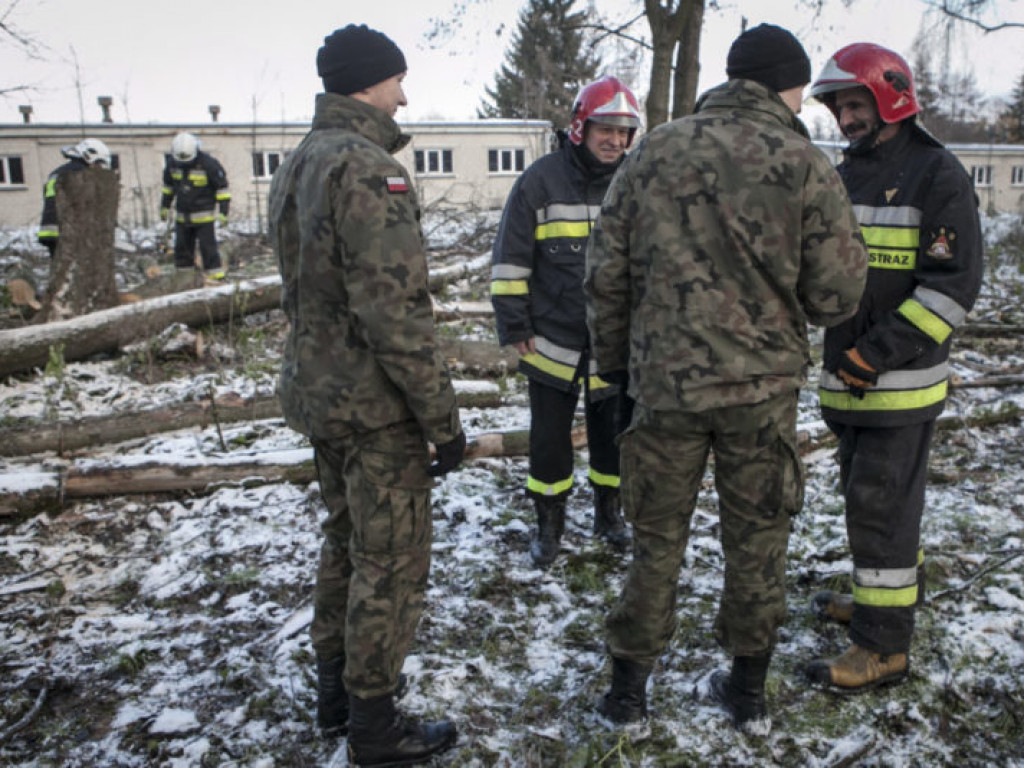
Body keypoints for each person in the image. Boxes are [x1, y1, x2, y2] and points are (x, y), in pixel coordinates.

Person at [585, 24, 869, 734]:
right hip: (761, 392)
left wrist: (618, 365)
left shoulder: (654, 149)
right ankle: (746, 691)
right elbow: (837, 296)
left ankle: (628, 693)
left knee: (655, 540)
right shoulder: (804, 162)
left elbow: (605, 273)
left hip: (664, 388)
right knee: (757, 540)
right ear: (788, 84)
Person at [269, 24, 465, 767]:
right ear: (364, 85)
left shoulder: (300, 162)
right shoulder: (366, 167)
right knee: (389, 563)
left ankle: (335, 700)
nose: (404, 95)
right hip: (374, 407)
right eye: (395, 81)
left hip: (320, 396)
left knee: (346, 545)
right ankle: (376, 730)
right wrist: (441, 421)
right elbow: (396, 313)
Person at [804, 44, 984, 691]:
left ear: (891, 97)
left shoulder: (937, 174)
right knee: (867, 505)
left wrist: (873, 355)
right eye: (839, 106)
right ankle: (885, 598)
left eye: (856, 103)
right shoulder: (843, 175)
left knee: (882, 510)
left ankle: (882, 647)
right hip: (848, 383)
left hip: (896, 385)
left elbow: (951, 288)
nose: (846, 118)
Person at [490, 75, 643, 569]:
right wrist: (515, 328)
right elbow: (511, 260)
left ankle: (609, 514)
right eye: (607, 129)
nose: (615, 141)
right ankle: (549, 522)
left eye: (625, 132)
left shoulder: (634, 181)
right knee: (549, 439)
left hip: (614, 342)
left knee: (614, 433)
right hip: (550, 339)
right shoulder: (539, 180)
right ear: (581, 126)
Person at [160, 132, 231, 279]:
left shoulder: (208, 164)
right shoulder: (173, 164)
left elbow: (222, 189)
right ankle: (184, 279)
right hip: (182, 216)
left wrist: (224, 211)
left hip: (203, 217)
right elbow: (168, 187)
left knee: (208, 249)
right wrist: (165, 205)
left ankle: (216, 278)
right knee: (182, 249)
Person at [38, 138, 112, 256]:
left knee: (61, 270)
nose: (98, 167)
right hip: (70, 234)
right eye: (98, 163)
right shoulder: (81, 173)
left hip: (50, 233)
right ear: (90, 156)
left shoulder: (57, 173)